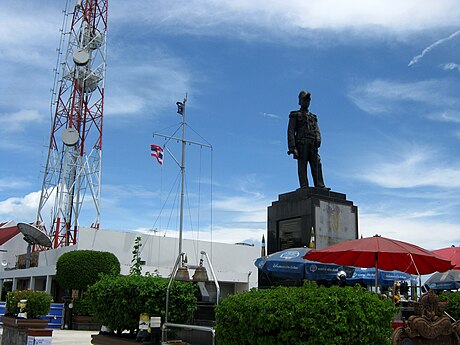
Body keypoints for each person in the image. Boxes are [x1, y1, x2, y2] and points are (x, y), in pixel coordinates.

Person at [287, 91, 328, 189]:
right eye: (304, 100)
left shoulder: (313, 117)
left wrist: (318, 138)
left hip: (312, 144)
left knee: (317, 163)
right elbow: (291, 131)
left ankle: (320, 185)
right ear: (300, 102)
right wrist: (292, 147)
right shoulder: (295, 115)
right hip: (301, 143)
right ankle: (304, 186)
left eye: (308, 100)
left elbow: (317, 129)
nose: (306, 102)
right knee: (302, 165)